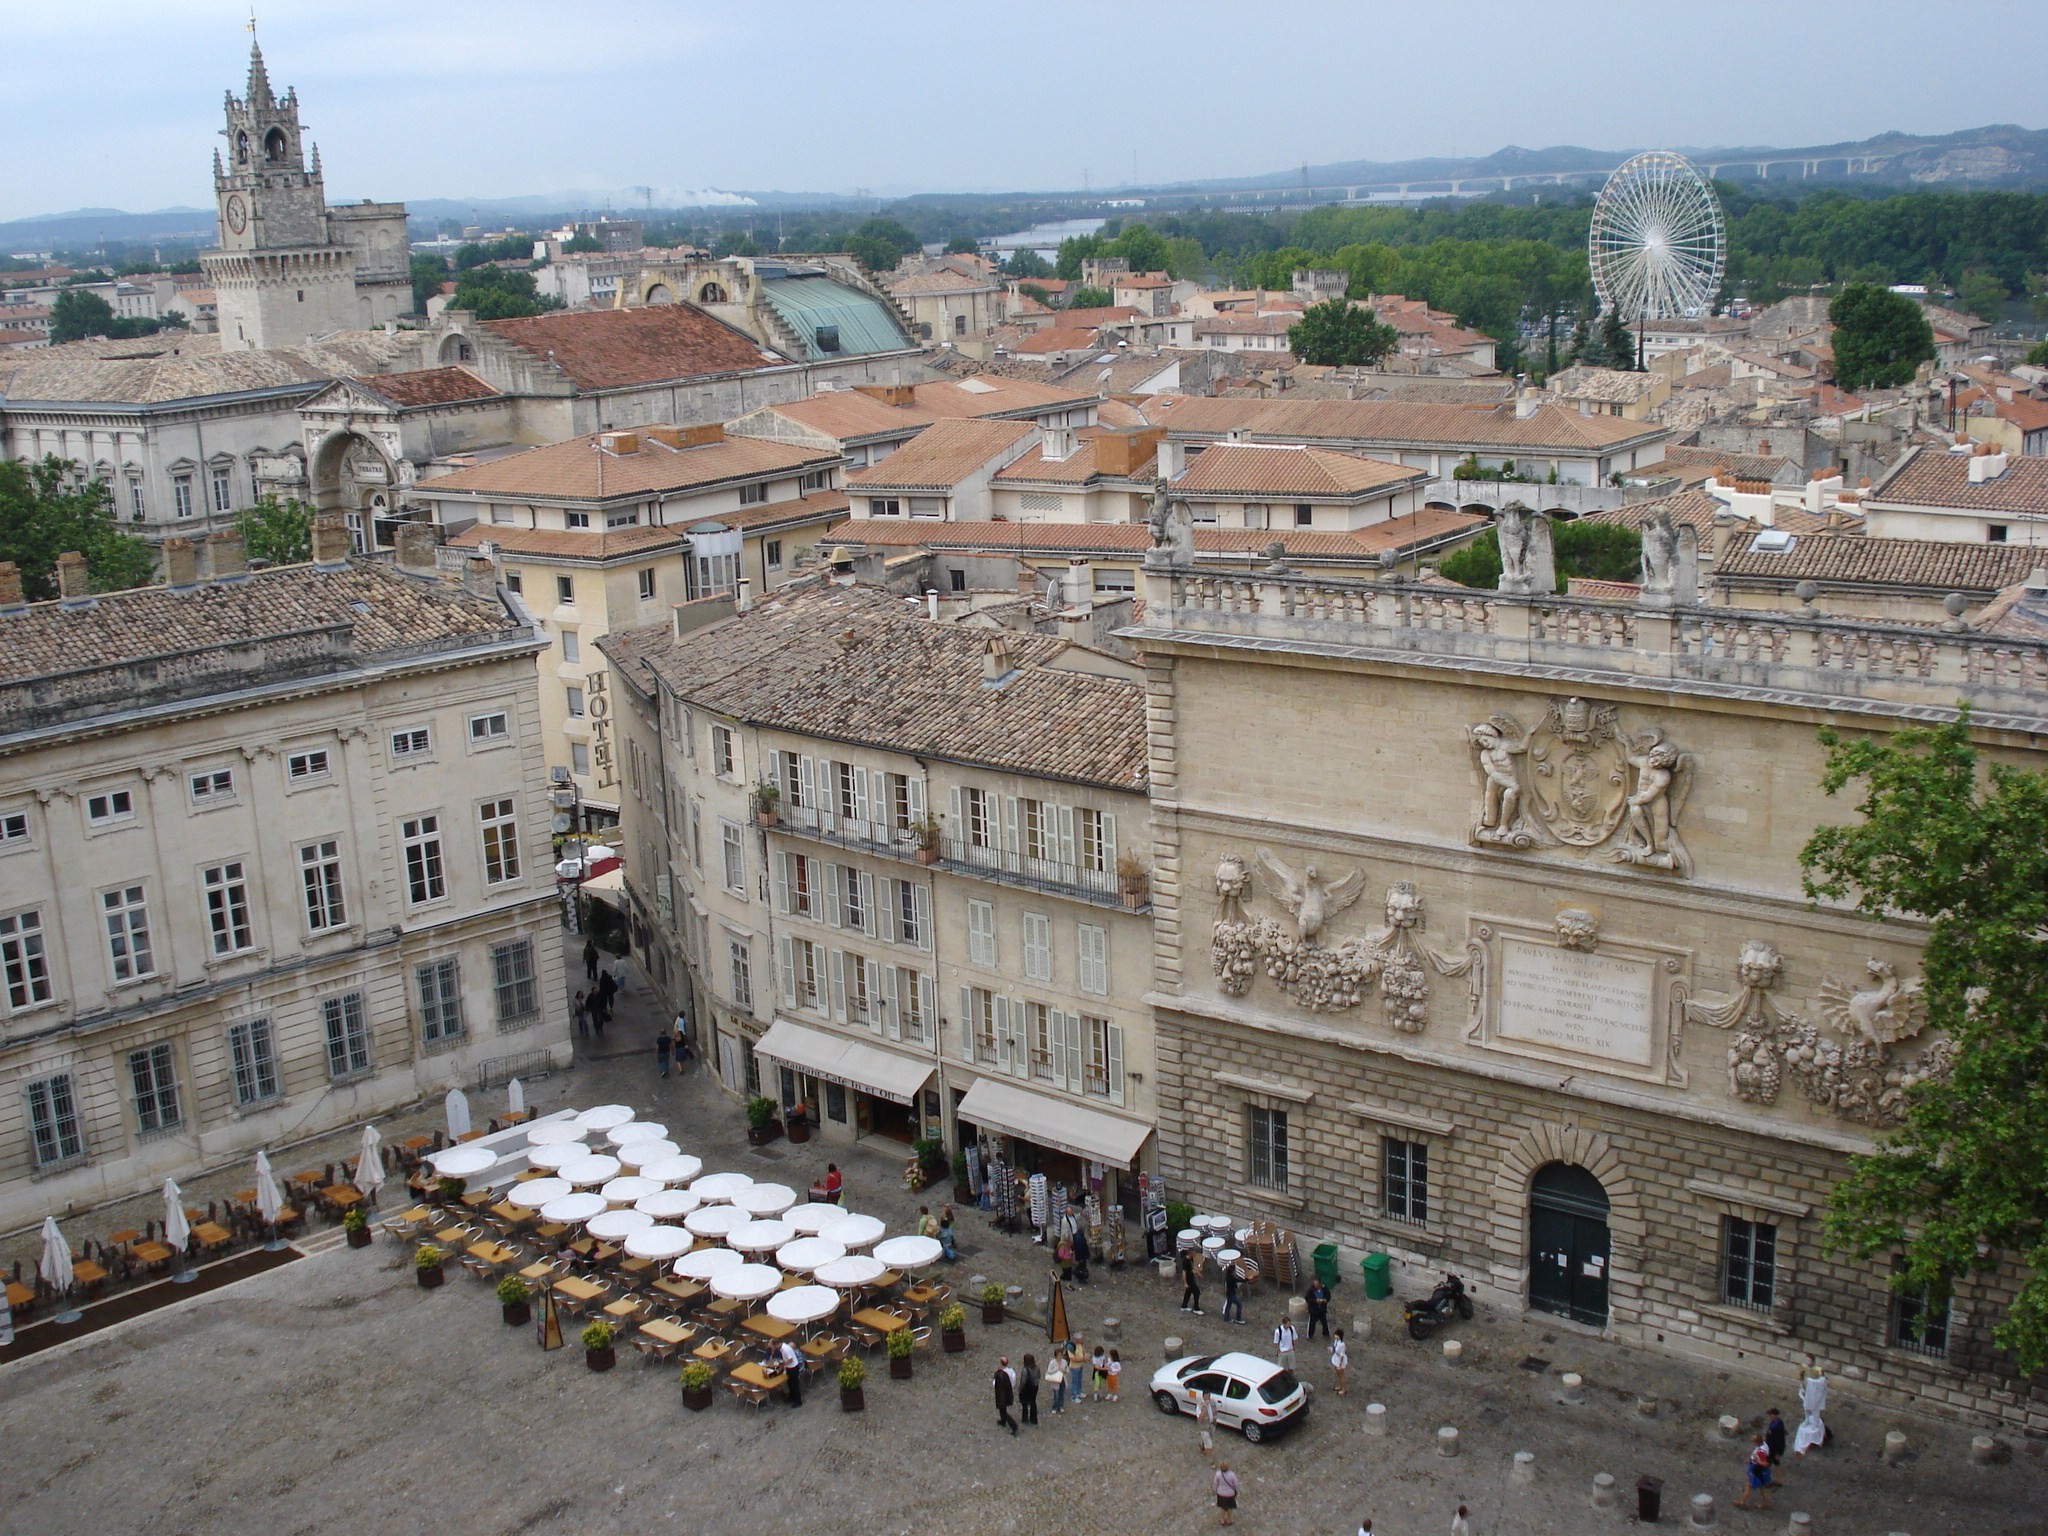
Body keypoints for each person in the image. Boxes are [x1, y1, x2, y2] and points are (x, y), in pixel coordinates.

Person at [1793, 1360, 1829, 1457]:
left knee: (1815, 1411)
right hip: (1807, 1395)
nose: (1807, 1362)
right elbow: (1802, 1379)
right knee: (1806, 1409)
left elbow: (1823, 1381)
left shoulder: (1818, 1372)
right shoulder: (1806, 1371)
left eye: (1809, 1360)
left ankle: (1815, 1423)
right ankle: (1807, 1420)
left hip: (1814, 1397)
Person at [1733, 1433, 1774, 1511]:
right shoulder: (1764, 1445)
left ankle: (1742, 1501)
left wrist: (1756, 1460)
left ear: (1757, 1442)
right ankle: (1766, 1504)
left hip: (1757, 1470)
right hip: (1762, 1471)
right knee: (1762, 1488)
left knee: (1749, 1486)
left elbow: (1765, 1464)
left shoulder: (1761, 1452)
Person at [993, 1358, 1018, 1435]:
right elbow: (1013, 1381)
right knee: (1003, 1409)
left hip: (1001, 1393)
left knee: (1003, 1410)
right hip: (1008, 1391)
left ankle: (1014, 1426)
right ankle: (1003, 1421)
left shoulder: (1000, 1374)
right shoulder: (1011, 1371)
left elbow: (994, 1384)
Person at [777, 1337, 803, 1407]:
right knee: (790, 1384)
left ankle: (798, 1401)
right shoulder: (782, 1349)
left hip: (793, 1368)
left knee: (794, 1385)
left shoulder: (786, 1349)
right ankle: (791, 1397)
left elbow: (790, 1360)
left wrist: (783, 1364)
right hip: (789, 1367)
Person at [1213, 1462, 1239, 1527]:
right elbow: (1236, 1484)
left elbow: (1215, 1483)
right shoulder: (1232, 1475)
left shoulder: (1218, 1474)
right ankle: (1229, 1520)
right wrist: (1236, 1490)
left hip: (1221, 1493)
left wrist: (1216, 1490)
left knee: (1222, 1507)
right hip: (1230, 1494)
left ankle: (1222, 1520)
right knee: (1230, 1507)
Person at [1179, 1249, 1204, 1315]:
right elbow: (1184, 1272)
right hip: (1189, 1279)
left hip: (1191, 1277)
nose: (1195, 1254)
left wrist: (1198, 1274)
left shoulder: (1191, 1258)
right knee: (1197, 1292)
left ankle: (1184, 1306)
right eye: (1194, 1252)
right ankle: (1196, 1308)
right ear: (1191, 1253)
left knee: (1188, 1292)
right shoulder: (1185, 1261)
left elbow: (1194, 1266)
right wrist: (1185, 1283)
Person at [1066, 1337, 1088, 1408]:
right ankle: (1074, 1396)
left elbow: (1083, 1351)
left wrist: (1085, 1356)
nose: (1081, 1340)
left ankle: (1079, 1392)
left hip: (1080, 1366)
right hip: (1074, 1367)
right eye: (1080, 1339)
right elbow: (1072, 1358)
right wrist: (1083, 1359)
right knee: (1074, 1381)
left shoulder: (1081, 1345)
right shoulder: (1071, 1347)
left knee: (1079, 1380)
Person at [1019, 1353, 1040, 1425]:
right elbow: (1039, 1376)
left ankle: (1025, 1418)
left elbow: (1023, 1381)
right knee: (1033, 1402)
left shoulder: (1025, 1369)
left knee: (1024, 1403)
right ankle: (1034, 1419)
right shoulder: (1037, 1367)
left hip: (1027, 1388)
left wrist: (1020, 1389)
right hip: (1035, 1386)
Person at [1196, 1388, 1217, 1459]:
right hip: (1204, 1427)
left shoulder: (1213, 1402)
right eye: (1206, 1397)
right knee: (1209, 1445)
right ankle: (1211, 1461)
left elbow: (1215, 1411)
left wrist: (1215, 1419)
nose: (1208, 1398)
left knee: (1209, 1438)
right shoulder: (1200, 1405)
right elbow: (1199, 1419)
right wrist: (1204, 1410)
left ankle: (1203, 1445)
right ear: (1203, 1397)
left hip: (1211, 1425)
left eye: (1209, 1396)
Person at [1050, 1340, 1070, 1414]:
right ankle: (1054, 1407)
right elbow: (1049, 1371)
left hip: (1062, 1379)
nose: (1060, 1357)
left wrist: (1065, 1370)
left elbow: (1067, 1370)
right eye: (1058, 1355)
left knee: (1062, 1394)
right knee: (1056, 1395)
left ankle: (1061, 1406)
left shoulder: (1064, 1362)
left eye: (1061, 1355)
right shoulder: (1052, 1362)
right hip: (1055, 1380)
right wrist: (1057, 1369)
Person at [1330, 1328, 1349, 1396]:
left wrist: (1340, 1365)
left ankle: (1344, 1389)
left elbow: (1342, 1355)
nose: (1335, 1336)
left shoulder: (1342, 1345)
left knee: (1341, 1375)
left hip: (1340, 1360)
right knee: (1338, 1375)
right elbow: (1334, 1348)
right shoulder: (1336, 1341)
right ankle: (1340, 1386)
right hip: (1336, 1358)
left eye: (1337, 1335)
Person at [1071, 1222, 1091, 1286]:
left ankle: (1078, 1274)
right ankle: (1080, 1277)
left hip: (1081, 1255)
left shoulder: (1077, 1237)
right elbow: (1082, 1247)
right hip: (1082, 1255)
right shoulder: (1080, 1238)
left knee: (1081, 1267)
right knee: (1082, 1267)